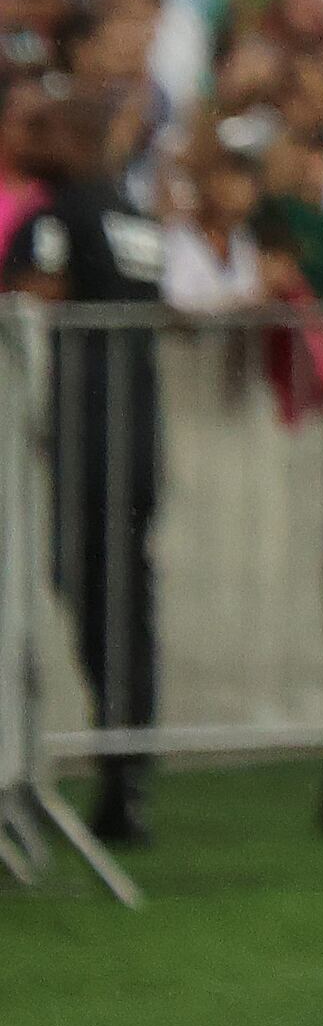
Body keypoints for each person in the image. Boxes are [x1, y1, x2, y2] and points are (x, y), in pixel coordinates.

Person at [7, 83, 163, 849]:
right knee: (129, 602)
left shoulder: (57, 217)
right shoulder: (136, 215)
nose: (28, 138)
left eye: (43, 126)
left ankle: (119, 770)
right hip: (140, 437)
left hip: (82, 434)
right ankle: (129, 773)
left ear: (74, 136)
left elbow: (33, 299)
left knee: (92, 598)